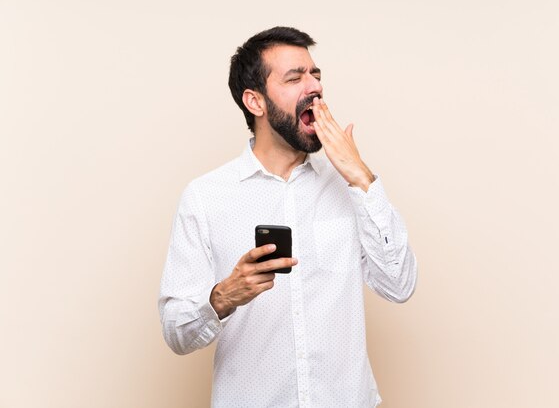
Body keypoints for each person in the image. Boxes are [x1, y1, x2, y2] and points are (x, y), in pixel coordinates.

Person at [158, 26, 417, 408]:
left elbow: (399, 285)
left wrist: (361, 176)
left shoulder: (351, 186)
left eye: (316, 75)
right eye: (295, 78)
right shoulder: (206, 197)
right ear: (255, 102)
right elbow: (176, 331)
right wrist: (224, 296)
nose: (314, 87)